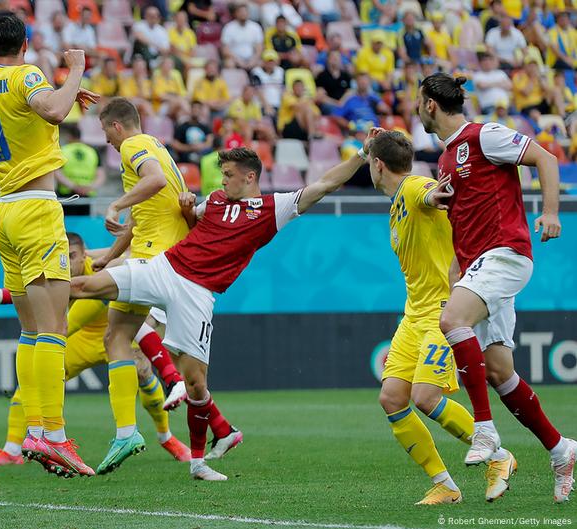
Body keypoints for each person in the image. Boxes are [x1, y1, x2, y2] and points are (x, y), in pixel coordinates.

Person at [70, 146, 367, 480]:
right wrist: (185, 210)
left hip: (197, 293)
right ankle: (8, 294)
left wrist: (361, 155)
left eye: (228, 175)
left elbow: (324, 184)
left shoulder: (272, 208)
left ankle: (199, 462)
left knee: (195, 383)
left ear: (250, 176)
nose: (222, 180)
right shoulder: (213, 200)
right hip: (166, 268)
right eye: (222, 174)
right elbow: (192, 225)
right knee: (85, 287)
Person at [418, 73, 575, 503]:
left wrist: (550, 213)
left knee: (451, 320)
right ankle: (562, 450)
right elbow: (464, 221)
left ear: (430, 104)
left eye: (419, 102)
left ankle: (484, 431)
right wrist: (456, 270)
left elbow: (545, 158)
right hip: (477, 266)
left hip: (506, 254)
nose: (416, 109)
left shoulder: (483, 135)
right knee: (500, 372)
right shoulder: (447, 159)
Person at [0, 14, 98, 478]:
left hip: (3, 210)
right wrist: (75, 72)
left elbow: (38, 108)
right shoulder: (28, 75)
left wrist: (59, 93)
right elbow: (54, 111)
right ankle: (54, 436)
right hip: (38, 209)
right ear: (26, 43)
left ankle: (32, 433)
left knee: (28, 330)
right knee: (54, 328)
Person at [0, 233, 191, 467]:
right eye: (65, 256)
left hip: (112, 334)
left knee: (144, 375)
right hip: (82, 342)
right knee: (34, 380)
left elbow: (62, 320)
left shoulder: (100, 268)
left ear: (83, 254)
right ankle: (12, 450)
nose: (69, 261)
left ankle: (166, 437)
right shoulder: (63, 268)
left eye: (73, 255)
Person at [365, 130, 481, 505]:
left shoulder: (415, 187)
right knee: (392, 398)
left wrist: (436, 195)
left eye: (370, 161)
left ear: (379, 166)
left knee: (425, 397)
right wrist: (374, 144)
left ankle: (496, 454)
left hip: (442, 312)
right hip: (413, 314)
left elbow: (429, 195)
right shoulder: (399, 197)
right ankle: (445, 485)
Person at [93, 98, 194, 474]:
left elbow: (155, 181)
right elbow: (144, 216)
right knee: (115, 338)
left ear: (117, 126)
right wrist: (108, 255)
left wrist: (115, 204)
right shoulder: (155, 145)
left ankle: (2, 295)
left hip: (155, 259)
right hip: (163, 255)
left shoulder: (134, 147)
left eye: (105, 131)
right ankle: (128, 431)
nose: (106, 140)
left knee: (77, 288)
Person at [54, 125, 104, 197]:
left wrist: (74, 186)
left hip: (66, 194)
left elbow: (57, 173)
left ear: (69, 136)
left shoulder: (62, 150)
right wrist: (90, 187)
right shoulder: (92, 151)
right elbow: (101, 175)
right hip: (87, 195)